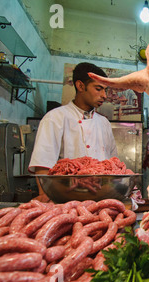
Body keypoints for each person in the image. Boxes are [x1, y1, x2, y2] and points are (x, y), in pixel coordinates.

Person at [28, 62, 118, 202]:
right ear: (80, 86)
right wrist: (45, 198)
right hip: (66, 198)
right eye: (99, 89)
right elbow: (43, 164)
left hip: (101, 198)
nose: (104, 95)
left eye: (105, 90)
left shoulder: (104, 123)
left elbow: (114, 165)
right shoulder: (55, 117)